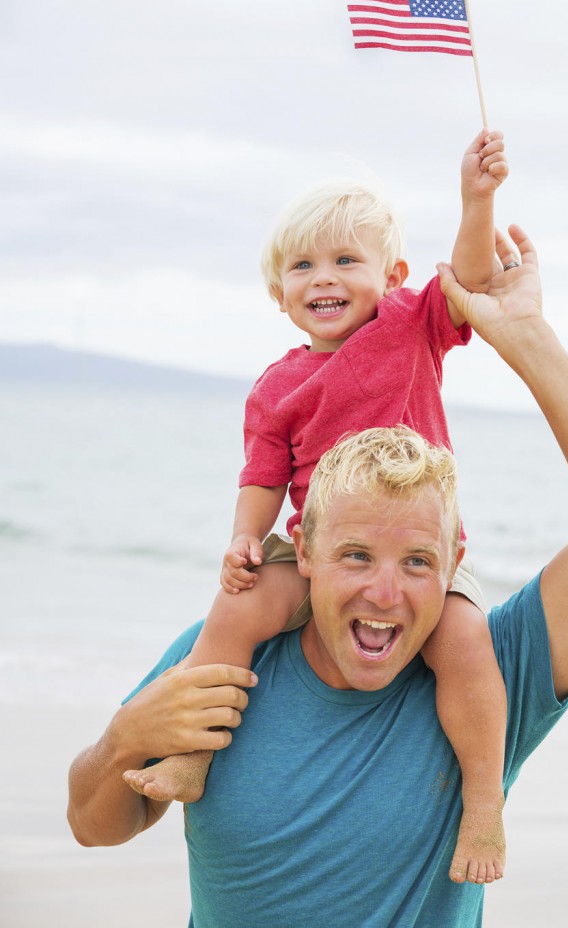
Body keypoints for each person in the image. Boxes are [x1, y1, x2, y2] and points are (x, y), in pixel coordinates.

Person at [67, 226, 568, 928]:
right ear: (302, 553)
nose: (385, 594)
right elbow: (93, 826)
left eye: (418, 562)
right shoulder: (220, 658)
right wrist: (123, 739)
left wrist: (526, 337)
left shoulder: (491, 674)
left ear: (453, 563)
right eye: (355, 555)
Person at [122, 129, 511, 884]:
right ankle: (195, 755)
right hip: (315, 553)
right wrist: (245, 538)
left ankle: (484, 801)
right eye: (302, 265)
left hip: (411, 554)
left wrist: (477, 199)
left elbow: (469, 277)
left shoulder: (409, 327)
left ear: (391, 275)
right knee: (233, 609)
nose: (322, 278)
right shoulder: (276, 386)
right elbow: (264, 473)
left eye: (344, 260)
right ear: (279, 295)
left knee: (465, 644)